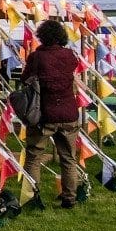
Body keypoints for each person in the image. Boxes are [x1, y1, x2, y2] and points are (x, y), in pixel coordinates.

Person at [19, 18, 88, 208]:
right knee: (68, 158)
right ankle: (69, 198)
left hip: (44, 115)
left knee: (33, 156)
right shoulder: (69, 56)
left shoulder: (37, 57)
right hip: (68, 113)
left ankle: (32, 198)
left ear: (42, 36)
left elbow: (25, 79)